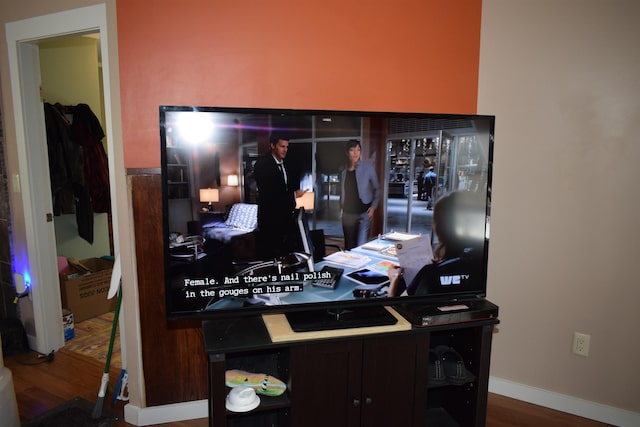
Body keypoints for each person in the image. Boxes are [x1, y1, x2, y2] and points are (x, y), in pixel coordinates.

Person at [387, 190, 486, 297]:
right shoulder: (486, 263)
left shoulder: (430, 274)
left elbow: (396, 308)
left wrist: (394, 278)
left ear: (439, 227)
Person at [253, 135, 306, 259]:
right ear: (272, 146)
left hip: (286, 219)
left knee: (286, 255)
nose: (285, 150)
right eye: (282, 146)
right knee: (271, 256)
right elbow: (270, 194)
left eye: (287, 147)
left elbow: (287, 187)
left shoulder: (286, 164)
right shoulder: (262, 164)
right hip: (270, 220)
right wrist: (294, 195)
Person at [339, 140, 380, 250]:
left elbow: (377, 188)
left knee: (360, 246)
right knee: (349, 248)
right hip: (347, 215)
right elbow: (342, 192)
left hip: (364, 214)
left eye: (358, 150)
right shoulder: (343, 171)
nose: (356, 153)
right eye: (352, 150)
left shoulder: (368, 168)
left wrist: (373, 208)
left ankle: (361, 268)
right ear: (347, 153)